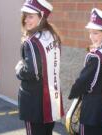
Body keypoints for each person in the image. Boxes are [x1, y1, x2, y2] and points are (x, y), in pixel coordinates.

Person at [15, 0, 64, 135]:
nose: (26, 20)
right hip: (52, 98)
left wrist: (19, 69)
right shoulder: (54, 36)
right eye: (25, 16)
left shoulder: (31, 42)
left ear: (41, 17)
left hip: (34, 101)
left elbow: (32, 72)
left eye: (31, 16)